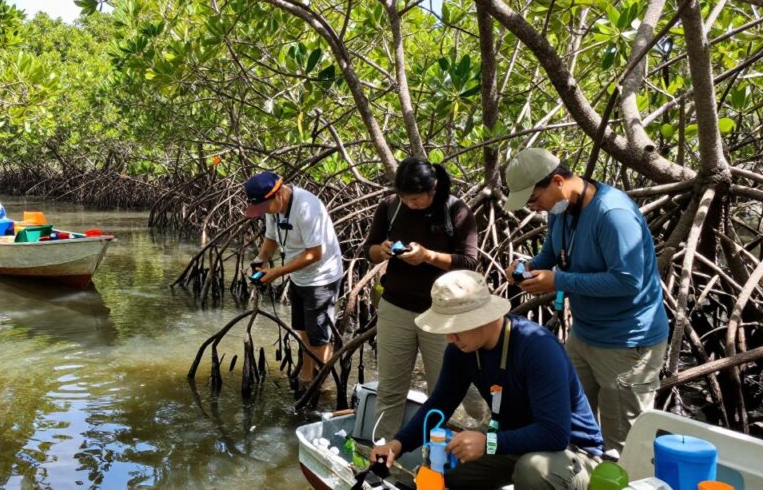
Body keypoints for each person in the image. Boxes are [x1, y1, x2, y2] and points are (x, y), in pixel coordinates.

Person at [370, 270, 604, 490]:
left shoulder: (537, 348)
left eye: (456, 329)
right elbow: (439, 404)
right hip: (516, 444)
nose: (450, 338)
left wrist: (489, 442)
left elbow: (554, 433)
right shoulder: (460, 349)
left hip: (572, 453)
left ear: (481, 319)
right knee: (448, 479)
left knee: (533, 470)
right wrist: (397, 445)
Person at [503, 148, 669, 453]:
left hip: (627, 344)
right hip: (584, 335)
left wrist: (559, 281)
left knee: (623, 444)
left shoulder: (612, 214)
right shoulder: (561, 211)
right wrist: (524, 268)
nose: (535, 208)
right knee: (567, 426)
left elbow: (628, 280)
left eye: (534, 199)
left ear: (557, 181)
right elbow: (550, 257)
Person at [361, 158, 487, 442]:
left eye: (416, 199)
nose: (410, 204)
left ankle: (445, 461)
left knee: (446, 391)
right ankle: (381, 455)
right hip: (395, 308)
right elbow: (367, 249)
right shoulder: (390, 207)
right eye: (405, 198)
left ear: (433, 188)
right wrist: (380, 251)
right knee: (390, 390)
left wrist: (427, 256)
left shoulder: (456, 210)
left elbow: (469, 262)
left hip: (444, 316)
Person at [244, 171, 344, 389]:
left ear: (278, 193)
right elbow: (271, 238)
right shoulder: (273, 208)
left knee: (320, 337)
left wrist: (277, 272)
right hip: (299, 277)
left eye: (265, 207)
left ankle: (323, 388)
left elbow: (314, 254)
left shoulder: (307, 207)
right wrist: (261, 260)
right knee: (303, 332)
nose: (264, 212)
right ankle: (306, 378)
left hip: (322, 278)